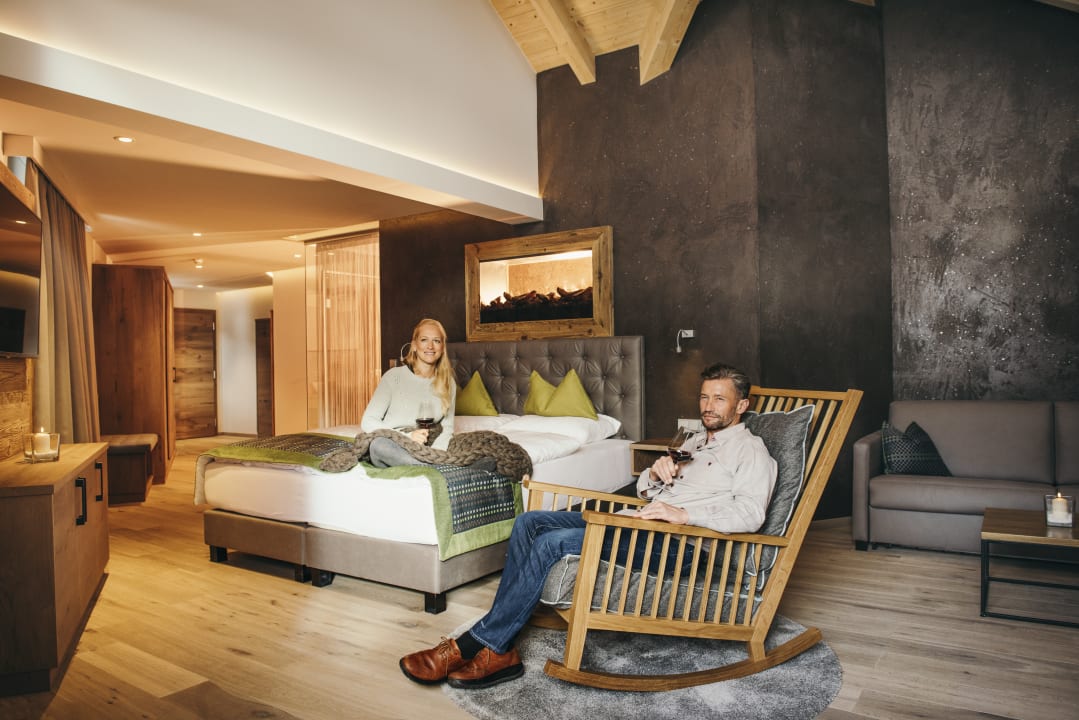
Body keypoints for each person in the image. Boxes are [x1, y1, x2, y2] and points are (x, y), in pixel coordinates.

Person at [399, 362, 778, 690]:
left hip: (681, 545)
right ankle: (502, 647)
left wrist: (684, 515)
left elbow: (750, 514)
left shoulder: (751, 451)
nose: (708, 406)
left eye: (720, 399)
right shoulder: (692, 442)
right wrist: (655, 474)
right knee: (529, 522)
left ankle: (474, 646)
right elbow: (645, 491)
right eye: (704, 397)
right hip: (641, 524)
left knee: (552, 543)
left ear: (741, 406)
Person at [362, 318, 456, 462]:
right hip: (394, 443)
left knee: (484, 445)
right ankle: (429, 469)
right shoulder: (393, 377)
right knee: (378, 446)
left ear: (442, 347)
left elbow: (447, 428)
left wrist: (436, 454)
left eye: (436, 341)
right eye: (424, 340)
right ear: (414, 345)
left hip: (427, 446)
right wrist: (408, 437)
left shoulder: (448, 383)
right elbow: (368, 420)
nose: (430, 346)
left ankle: (427, 466)